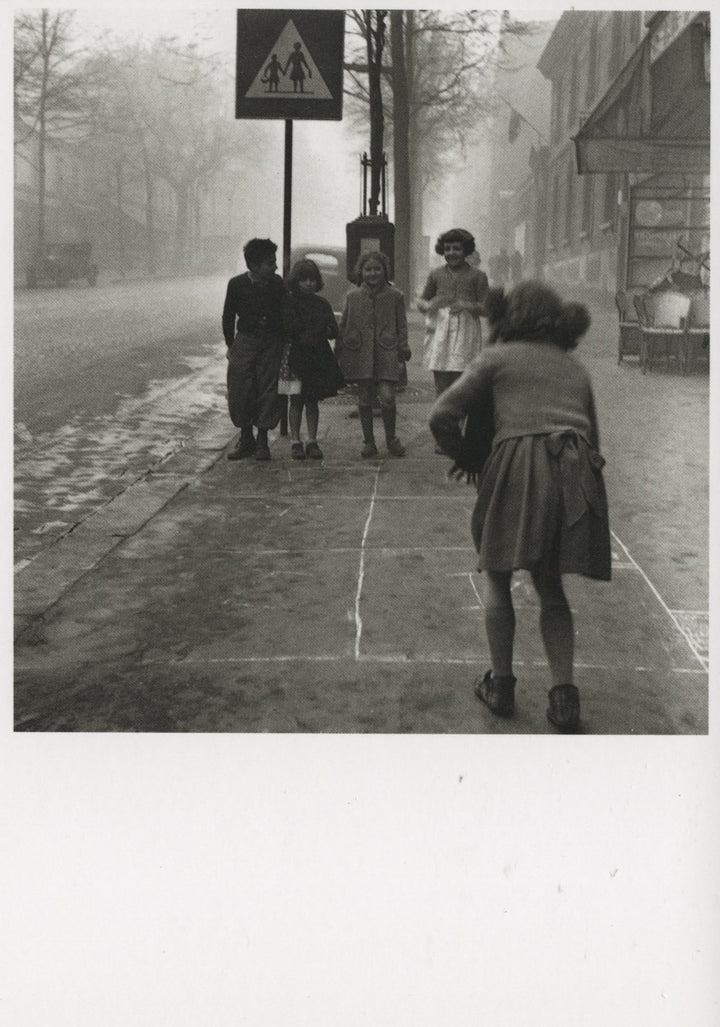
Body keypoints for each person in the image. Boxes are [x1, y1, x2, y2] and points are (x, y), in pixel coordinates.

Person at [429, 280, 611, 732]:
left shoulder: (496, 357)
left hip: (518, 465)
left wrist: (468, 457)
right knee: (551, 586)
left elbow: (441, 415)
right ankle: (564, 696)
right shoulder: (574, 368)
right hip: (575, 470)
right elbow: (594, 438)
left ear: (506, 316)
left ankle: (502, 684)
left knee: (497, 572)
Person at [336, 250, 411, 458]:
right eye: (368, 269)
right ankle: (369, 442)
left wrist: (403, 347)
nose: (373, 273)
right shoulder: (352, 297)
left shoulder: (395, 296)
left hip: (387, 351)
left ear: (384, 270)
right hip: (360, 353)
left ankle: (391, 439)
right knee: (364, 399)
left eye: (377, 269)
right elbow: (344, 325)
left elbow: (402, 325)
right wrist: (340, 350)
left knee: (388, 397)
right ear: (361, 271)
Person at [222, 238, 287, 461]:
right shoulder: (236, 284)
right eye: (270, 263)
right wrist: (231, 345)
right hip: (245, 342)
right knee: (241, 389)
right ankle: (246, 438)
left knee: (268, 389)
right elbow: (228, 316)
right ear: (255, 266)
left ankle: (262, 441)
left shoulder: (278, 284)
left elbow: (285, 313)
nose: (275, 267)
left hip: (271, 342)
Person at [283, 257, 345, 460]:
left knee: (312, 400)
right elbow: (289, 329)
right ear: (296, 281)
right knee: (296, 400)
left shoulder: (322, 304)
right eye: (304, 279)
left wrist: (328, 329)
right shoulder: (290, 303)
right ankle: (295, 440)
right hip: (296, 357)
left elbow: (333, 329)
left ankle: (312, 439)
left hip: (316, 357)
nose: (309, 283)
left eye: (312, 279)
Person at [417, 228, 489, 399]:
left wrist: (467, 305)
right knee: (441, 384)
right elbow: (422, 302)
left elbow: (487, 308)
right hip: (440, 331)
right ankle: (443, 420)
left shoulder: (478, 276)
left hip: (465, 332)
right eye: (447, 249)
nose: (451, 253)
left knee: (461, 384)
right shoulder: (436, 274)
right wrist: (429, 306)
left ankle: (458, 422)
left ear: (466, 250)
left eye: (456, 249)